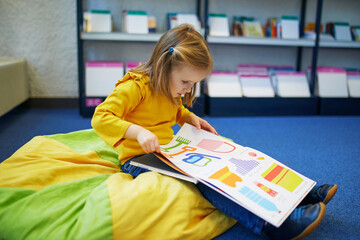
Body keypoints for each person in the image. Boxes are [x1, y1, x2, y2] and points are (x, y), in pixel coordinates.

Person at [91, 24, 337, 240]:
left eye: (193, 84)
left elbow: (174, 111)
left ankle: (300, 195)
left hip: (172, 152)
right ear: (164, 66)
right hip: (140, 159)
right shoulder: (134, 87)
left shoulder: (169, 87)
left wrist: (190, 117)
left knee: (242, 159)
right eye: (185, 82)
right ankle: (273, 226)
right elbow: (101, 117)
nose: (188, 89)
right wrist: (138, 133)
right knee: (211, 182)